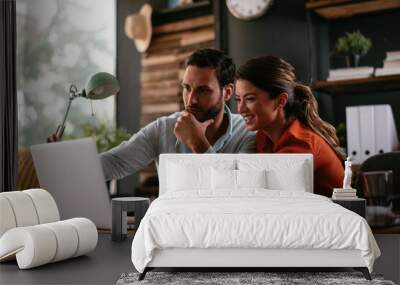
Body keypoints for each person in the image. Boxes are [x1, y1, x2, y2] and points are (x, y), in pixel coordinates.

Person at [49, 48, 255, 181]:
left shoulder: (247, 134)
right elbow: (115, 163)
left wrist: (198, 144)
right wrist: (67, 162)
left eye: (203, 91)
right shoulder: (164, 128)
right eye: (186, 88)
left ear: (227, 92)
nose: (190, 99)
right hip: (168, 233)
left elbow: (234, 193)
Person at [235, 55, 345, 197]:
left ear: (280, 101)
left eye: (250, 99)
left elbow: (273, 198)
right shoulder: (264, 136)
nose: (241, 108)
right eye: (238, 99)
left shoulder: (300, 143)